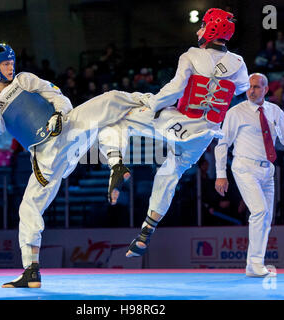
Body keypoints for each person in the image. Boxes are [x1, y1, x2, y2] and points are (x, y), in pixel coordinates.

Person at [0, 43, 135, 288]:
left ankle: (118, 160)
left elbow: (57, 96)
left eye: (11, 62)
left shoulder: (23, 80)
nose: (11, 67)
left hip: (66, 133)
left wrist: (59, 114)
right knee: (28, 209)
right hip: (46, 159)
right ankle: (31, 271)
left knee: (109, 103)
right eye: (6, 64)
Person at [97, 8, 250, 257]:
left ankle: (116, 163)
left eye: (202, 25)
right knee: (170, 172)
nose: (198, 30)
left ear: (212, 29)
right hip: (204, 134)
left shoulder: (191, 55)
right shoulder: (240, 64)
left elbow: (175, 88)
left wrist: (155, 104)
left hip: (178, 122)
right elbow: (241, 87)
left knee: (125, 115)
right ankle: (146, 233)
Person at [214, 73, 284, 277]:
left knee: (267, 218)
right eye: (249, 87)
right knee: (260, 211)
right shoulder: (236, 112)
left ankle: (256, 265)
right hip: (244, 166)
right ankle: (253, 265)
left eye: (256, 87)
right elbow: (223, 143)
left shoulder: (274, 111)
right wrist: (220, 174)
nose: (251, 91)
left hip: (268, 170)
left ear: (266, 89)